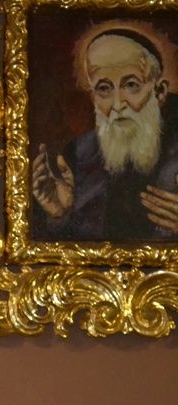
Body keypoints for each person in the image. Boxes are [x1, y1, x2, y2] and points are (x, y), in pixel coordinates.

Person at [32, 23, 178, 242]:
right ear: (94, 97)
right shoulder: (78, 154)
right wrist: (61, 216)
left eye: (131, 84)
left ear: (159, 92)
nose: (118, 104)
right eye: (104, 88)